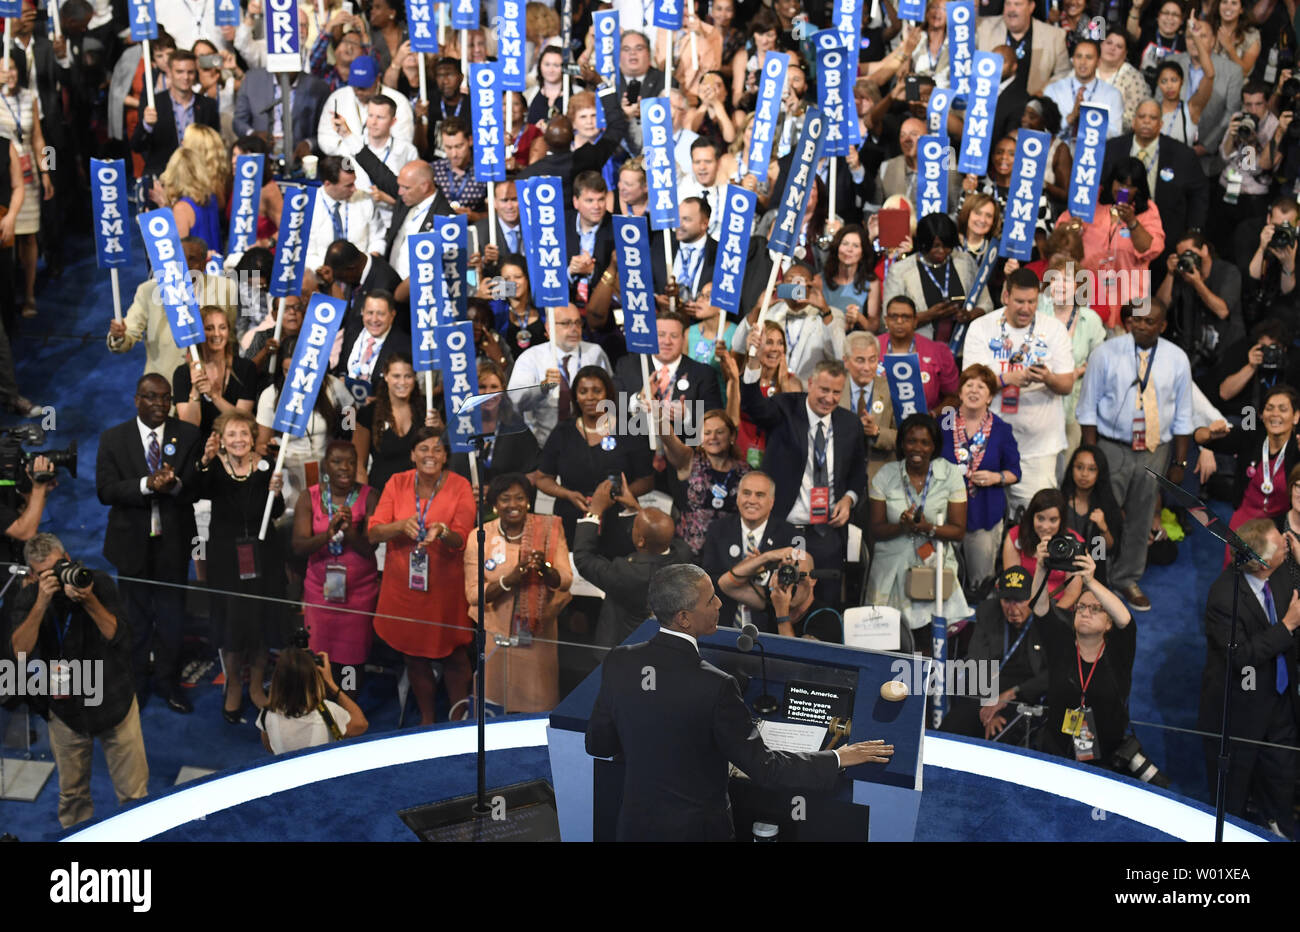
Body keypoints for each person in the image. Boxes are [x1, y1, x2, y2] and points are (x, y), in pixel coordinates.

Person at [585, 563, 894, 841]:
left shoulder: (619, 661)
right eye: (709, 600)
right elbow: (768, 770)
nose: (720, 604)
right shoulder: (717, 686)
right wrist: (839, 757)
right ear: (684, 618)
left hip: (634, 828)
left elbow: (599, 744)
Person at [6, 533, 147, 828]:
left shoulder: (97, 583)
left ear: (68, 559)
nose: (57, 577)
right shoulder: (30, 598)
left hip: (114, 700)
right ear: (33, 575)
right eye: (46, 574)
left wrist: (90, 600)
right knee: (72, 796)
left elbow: (118, 636)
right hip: (66, 712)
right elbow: (19, 651)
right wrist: (42, 602)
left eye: (59, 567)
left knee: (134, 797)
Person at [1077, 302, 1195, 612]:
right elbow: (1087, 407)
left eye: (1150, 321)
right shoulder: (1106, 352)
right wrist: (1091, 453)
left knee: (1142, 517)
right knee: (1100, 513)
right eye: (1137, 320)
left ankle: (1127, 578)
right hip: (1110, 445)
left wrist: (1179, 462)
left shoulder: (1176, 358)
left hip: (1155, 448)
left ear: (1163, 326)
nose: (1141, 326)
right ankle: (1092, 576)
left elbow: (1183, 414)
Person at [95, 374, 201, 713]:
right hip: (131, 545)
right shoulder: (113, 439)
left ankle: (167, 682)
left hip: (173, 543)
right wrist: (146, 484)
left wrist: (173, 485)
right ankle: (136, 683)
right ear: (137, 399)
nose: (159, 404)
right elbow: (106, 491)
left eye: (166, 398)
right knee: (135, 620)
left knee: (172, 618)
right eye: (152, 397)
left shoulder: (188, 434)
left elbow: (198, 488)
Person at [1198, 518, 1300, 837]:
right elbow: (1240, 656)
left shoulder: (1284, 571)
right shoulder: (1223, 597)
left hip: (1280, 700)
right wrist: (1287, 626)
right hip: (1239, 711)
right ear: (1261, 563)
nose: (1286, 542)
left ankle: (1280, 827)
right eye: (1279, 544)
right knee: (1234, 796)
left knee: (1282, 777)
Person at [367, 426, 475, 725]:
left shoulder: (460, 485)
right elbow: (374, 531)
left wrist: (444, 531)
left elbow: (463, 538)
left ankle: (459, 720)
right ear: (413, 454)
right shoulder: (396, 482)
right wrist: (400, 526)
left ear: (445, 456)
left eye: (437, 449)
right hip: (404, 591)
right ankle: (427, 721)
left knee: (455, 656)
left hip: (445, 592)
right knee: (414, 658)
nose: (430, 455)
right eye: (423, 449)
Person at [740, 358, 867, 606]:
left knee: (824, 605)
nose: (829, 398)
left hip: (825, 533)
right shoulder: (785, 408)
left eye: (836, 392)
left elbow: (858, 472)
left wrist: (848, 498)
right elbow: (753, 406)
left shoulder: (850, 424)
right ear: (810, 383)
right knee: (777, 604)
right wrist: (754, 363)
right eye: (824, 390)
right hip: (783, 529)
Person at [196, 410, 287, 723]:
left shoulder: (265, 468)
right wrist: (205, 461)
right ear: (221, 440)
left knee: (261, 620)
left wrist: (277, 489)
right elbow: (196, 491)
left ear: (253, 438)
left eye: (244, 434)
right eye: (231, 435)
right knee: (233, 624)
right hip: (226, 559)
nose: (238, 440)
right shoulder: (212, 469)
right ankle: (234, 683)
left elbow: (276, 511)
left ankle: (257, 683)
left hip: (264, 555)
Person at [961, 268, 1075, 512]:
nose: (1026, 308)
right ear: (1006, 297)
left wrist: (1048, 378)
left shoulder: (1054, 329)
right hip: (988, 444)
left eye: (1032, 301)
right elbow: (968, 384)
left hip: (1038, 448)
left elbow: (1066, 385)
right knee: (988, 522)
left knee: (1036, 521)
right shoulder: (981, 328)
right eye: (1019, 301)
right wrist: (1005, 379)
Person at [464, 473, 572, 713]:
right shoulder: (480, 536)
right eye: (505, 499)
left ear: (528, 502)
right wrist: (509, 580)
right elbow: (473, 594)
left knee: (537, 708)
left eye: (519, 498)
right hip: (496, 638)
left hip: (537, 637)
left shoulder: (549, 530)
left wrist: (544, 568)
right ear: (494, 505)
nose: (513, 505)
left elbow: (565, 581)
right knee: (493, 707)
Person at [1027, 550, 1137, 765]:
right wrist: (1041, 568)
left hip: (1106, 756)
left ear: (1108, 624)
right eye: (1082, 607)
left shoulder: (1118, 652)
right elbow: (1040, 609)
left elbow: (1125, 620)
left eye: (1096, 609)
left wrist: (1090, 580)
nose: (1086, 613)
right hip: (1057, 750)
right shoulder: (1062, 643)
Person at [866, 412, 970, 638]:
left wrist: (927, 528)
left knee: (931, 639)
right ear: (902, 444)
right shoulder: (885, 475)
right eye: (911, 441)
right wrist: (902, 528)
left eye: (925, 443)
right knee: (887, 638)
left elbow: (958, 531)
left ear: (934, 446)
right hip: (891, 565)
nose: (917, 448)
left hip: (934, 565)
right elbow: (876, 529)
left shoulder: (950, 473)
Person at [292, 441, 380, 691]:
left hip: (358, 595)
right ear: (325, 466)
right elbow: (298, 546)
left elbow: (369, 548)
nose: (345, 468)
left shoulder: (370, 496)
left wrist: (349, 531)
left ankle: (349, 707)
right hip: (320, 594)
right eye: (338, 461)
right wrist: (327, 535)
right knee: (320, 656)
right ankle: (323, 705)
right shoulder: (308, 496)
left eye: (351, 462)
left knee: (352, 661)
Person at [536, 365, 653, 541]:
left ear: (607, 394)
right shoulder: (563, 432)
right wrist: (568, 494)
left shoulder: (628, 429)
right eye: (583, 391)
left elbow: (647, 480)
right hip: (571, 520)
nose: (590, 397)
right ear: (575, 396)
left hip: (618, 521)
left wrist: (616, 496)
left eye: (597, 391)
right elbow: (542, 478)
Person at [573, 479, 693, 648]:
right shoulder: (683, 554)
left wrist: (594, 511)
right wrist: (635, 509)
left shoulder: (626, 573)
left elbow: (583, 559)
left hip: (623, 652)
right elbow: (656, 533)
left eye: (636, 526)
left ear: (641, 541)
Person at [940, 566, 1049, 741]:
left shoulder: (1046, 620)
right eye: (1007, 600)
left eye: (1019, 601)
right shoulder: (988, 611)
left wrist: (1009, 697)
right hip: (987, 688)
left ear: (1033, 598)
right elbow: (977, 660)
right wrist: (990, 706)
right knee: (950, 728)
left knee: (999, 734)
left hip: (1024, 694)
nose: (1012, 609)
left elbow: (1050, 675)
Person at [107, 237, 239, 381]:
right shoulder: (149, 291)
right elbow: (129, 334)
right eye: (179, 258)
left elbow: (230, 335)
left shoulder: (225, 288)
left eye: (192, 259)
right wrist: (119, 336)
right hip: (165, 386)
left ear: (203, 264)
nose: (184, 264)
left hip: (211, 385)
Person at [1056, 158, 1166, 330]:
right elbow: (1059, 236)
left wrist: (1132, 222)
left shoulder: (1147, 210)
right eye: (1120, 183)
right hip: (1085, 291)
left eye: (1130, 186)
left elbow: (1150, 249)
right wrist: (1071, 227)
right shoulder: (1091, 198)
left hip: (1125, 299)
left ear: (1139, 189)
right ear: (1111, 180)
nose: (1123, 190)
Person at [941, 364, 1021, 591]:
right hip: (946, 512)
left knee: (980, 582)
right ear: (960, 392)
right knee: (945, 579)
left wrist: (996, 477)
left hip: (984, 512)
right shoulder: (944, 423)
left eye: (982, 386)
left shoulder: (1001, 429)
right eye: (969, 385)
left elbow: (1015, 472)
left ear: (990, 396)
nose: (974, 391)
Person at [1101, 99, 1210, 255]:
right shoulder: (1112, 148)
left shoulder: (1182, 154)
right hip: (1115, 235)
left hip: (1168, 237)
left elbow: (1199, 192)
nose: (1146, 122)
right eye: (1142, 117)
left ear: (1161, 124)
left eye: (1152, 118)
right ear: (1133, 122)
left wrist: (1194, 230)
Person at [699, 470, 798, 629]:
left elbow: (792, 591)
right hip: (723, 625)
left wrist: (737, 581)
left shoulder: (789, 535)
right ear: (738, 498)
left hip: (769, 630)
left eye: (759, 495)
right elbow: (709, 582)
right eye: (746, 493)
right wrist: (751, 567)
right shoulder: (718, 530)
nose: (751, 500)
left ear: (771, 502)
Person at [507, 304, 614, 446]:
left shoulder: (594, 353)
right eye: (566, 323)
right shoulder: (530, 358)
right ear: (549, 328)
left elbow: (611, 398)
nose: (574, 329)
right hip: (543, 444)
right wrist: (542, 388)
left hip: (589, 441)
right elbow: (514, 403)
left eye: (577, 322)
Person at [884, 212, 991, 347]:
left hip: (962, 348)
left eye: (947, 245)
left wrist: (969, 315)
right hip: (920, 350)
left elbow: (986, 304)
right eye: (936, 246)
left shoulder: (965, 262)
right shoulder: (900, 271)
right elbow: (889, 322)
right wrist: (929, 315)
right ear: (923, 243)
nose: (942, 251)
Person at [730, 264, 845, 385]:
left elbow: (840, 356)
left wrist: (825, 310)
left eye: (801, 280)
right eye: (791, 280)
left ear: (811, 284)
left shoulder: (831, 315)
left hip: (808, 394)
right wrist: (758, 308)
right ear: (781, 284)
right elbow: (738, 345)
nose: (796, 285)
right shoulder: (769, 312)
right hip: (771, 390)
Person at [1154, 230, 1245, 376]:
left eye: (1189, 253)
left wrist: (1197, 283)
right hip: (1193, 354)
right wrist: (1170, 274)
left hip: (1226, 353)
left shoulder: (1228, 271)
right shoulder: (1184, 275)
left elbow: (1222, 311)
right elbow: (1161, 306)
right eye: (1182, 255)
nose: (1187, 259)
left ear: (1204, 250)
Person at [659, 407, 749, 554]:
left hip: (728, 552)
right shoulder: (689, 459)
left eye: (720, 432)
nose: (713, 437)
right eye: (707, 432)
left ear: (732, 436)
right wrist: (658, 417)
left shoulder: (745, 471)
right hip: (688, 553)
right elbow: (670, 440)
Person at [0, 57, 50, 318]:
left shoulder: (30, 96)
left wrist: (47, 171)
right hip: (3, 171)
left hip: (29, 172)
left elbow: (41, 139)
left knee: (29, 236)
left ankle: (29, 294)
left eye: (13, 67)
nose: (9, 73)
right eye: (3, 68)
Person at [129, 49, 220, 186]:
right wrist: (147, 125)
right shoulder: (153, 104)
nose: (186, 77)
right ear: (169, 73)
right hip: (163, 178)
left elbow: (214, 145)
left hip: (199, 179)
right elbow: (137, 146)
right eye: (180, 72)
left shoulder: (208, 105)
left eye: (190, 72)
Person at [352, 353, 439, 494]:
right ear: (386, 376)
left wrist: (438, 429)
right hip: (380, 494)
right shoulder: (368, 413)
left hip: (418, 493)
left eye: (408, 376)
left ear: (415, 378)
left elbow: (440, 456)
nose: (402, 382)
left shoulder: (426, 410)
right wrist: (365, 503)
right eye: (396, 376)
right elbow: (359, 466)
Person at [257, 648, 368, 754]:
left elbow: (270, 747)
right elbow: (361, 725)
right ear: (314, 678)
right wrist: (331, 684)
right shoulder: (328, 712)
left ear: (277, 680)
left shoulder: (266, 714)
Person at [174, 305, 259, 441]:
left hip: (236, 446)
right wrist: (195, 390)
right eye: (209, 328)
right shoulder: (182, 374)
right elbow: (188, 427)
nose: (217, 334)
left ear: (229, 331)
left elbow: (244, 421)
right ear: (198, 333)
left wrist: (215, 396)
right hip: (198, 448)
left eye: (222, 327)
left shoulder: (245, 368)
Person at [1002, 488, 1087, 608]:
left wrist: (1049, 618)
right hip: (1021, 604)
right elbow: (1012, 583)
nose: (1045, 526)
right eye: (1040, 518)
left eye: (1053, 520)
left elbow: (1072, 594)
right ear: (1032, 517)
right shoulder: (1015, 536)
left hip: (1058, 606)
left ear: (1061, 520)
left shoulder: (1074, 544)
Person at [316, 54, 415, 158]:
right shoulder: (337, 98)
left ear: (377, 79)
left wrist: (367, 156)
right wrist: (352, 153)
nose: (359, 91)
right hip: (344, 163)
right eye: (355, 85)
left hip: (385, 165)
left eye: (364, 87)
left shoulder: (398, 101)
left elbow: (403, 144)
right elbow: (324, 138)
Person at [975, 0, 1072, 96]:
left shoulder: (1054, 36)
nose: (1011, 9)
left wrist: (1042, 95)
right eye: (1008, 4)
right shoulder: (983, 28)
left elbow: (1063, 74)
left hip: (1033, 106)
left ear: (1031, 7)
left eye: (1017, 4)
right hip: (991, 105)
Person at [1060, 445, 1124, 587]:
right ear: (1072, 469)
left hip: (1093, 573)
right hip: (1061, 570)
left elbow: (1105, 552)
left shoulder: (1106, 505)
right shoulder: (1060, 502)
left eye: (1091, 469)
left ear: (1099, 473)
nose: (1084, 474)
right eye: (1079, 467)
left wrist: (1103, 529)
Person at [1043, 39, 1126, 142]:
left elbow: (1116, 134)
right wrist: (1071, 118)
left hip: (1095, 154)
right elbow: (1045, 130)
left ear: (1098, 62)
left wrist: (1089, 125)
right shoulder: (1053, 90)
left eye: (1089, 57)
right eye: (1078, 56)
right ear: (1072, 59)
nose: (1083, 62)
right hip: (1058, 153)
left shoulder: (1112, 95)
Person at [333, 291, 412, 397]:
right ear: (362, 312)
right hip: (345, 405)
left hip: (379, 408)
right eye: (370, 313)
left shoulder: (404, 345)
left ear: (392, 315)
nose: (374, 319)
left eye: (380, 314)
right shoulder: (352, 328)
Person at [303, 155, 375, 270]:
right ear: (328, 184)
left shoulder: (365, 200)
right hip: (323, 274)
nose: (354, 189)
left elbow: (377, 238)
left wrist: (370, 262)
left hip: (361, 272)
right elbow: (306, 253)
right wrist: (326, 271)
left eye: (354, 182)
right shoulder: (308, 206)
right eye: (348, 185)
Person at [842, 331, 897, 482]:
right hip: (841, 475)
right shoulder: (834, 390)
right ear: (846, 361)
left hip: (881, 478)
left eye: (872, 360)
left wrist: (876, 432)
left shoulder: (893, 390)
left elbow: (906, 437)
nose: (867, 367)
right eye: (860, 360)